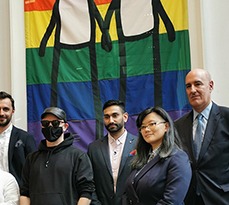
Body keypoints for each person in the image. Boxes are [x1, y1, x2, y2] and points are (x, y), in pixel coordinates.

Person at [174, 68, 229, 205]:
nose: (192, 90)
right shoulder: (178, 126)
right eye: (188, 86)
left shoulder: (226, 117)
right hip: (190, 199)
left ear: (210, 86)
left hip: (222, 198)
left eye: (198, 84)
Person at [20, 107, 95, 205]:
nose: (50, 126)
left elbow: (86, 191)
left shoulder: (78, 156)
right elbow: (25, 192)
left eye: (55, 123)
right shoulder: (31, 158)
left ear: (65, 126)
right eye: (45, 124)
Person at [123, 107, 192, 205]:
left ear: (166, 126)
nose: (146, 129)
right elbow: (128, 193)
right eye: (143, 127)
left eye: (152, 124)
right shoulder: (141, 158)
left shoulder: (177, 157)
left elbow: (172, 201)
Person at [87, 100, 137, 205]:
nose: (111, 121)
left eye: (115, 115)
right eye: (106, 117)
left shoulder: (140, 145)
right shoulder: (94, 148)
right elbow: (89, 182)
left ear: (125, 117)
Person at [0, 91, 36, 187]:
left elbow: (34, 170)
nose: (1, 113)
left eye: (5, 109)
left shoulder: (25, 138)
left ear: (13, 111)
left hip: (17, 194)